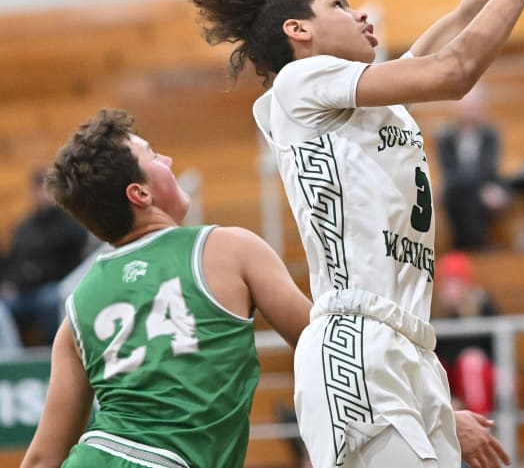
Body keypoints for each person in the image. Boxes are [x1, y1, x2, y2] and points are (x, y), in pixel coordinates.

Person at [190, 0, 524, 468]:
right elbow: (455, 71)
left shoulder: (374, 101)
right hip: (355, 340)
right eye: (339, 4)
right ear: (301, 32)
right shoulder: (301, 86)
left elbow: (465, 13)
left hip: (411, 348)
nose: (363, 13)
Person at [19, 107, 312, 468]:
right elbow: (320, 342)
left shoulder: (78, 306)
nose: (169, 159)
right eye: (154, 155)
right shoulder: (229, 248)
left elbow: (41, 459)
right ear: (140, 194)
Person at [0, 166, 90, 346]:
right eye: (38, 188)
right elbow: (13, 261)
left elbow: (73, 263)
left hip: (54, 287)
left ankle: (52, 352)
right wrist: (9, 284)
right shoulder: (24, 227)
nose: (42, 194)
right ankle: (11, 358)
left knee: (49, 301)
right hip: (23, 290)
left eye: (47, 188)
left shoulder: (71, 223)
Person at [435, 85, 509, 250]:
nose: (469, 111)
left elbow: (489, 168)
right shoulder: (445, 136)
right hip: (460, 189)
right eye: (466, 106)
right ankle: (478, 246)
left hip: (482, 186)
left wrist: (478, 186)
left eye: (473, 105)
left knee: (488, 195)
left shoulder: (490, 134)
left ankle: (464, 247)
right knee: (459, 193)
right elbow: (448, 169)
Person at [432, 252, 498, 419]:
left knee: (471, 362)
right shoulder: (436, 316)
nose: (451, 290)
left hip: (480, 379)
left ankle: (481, 423)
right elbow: (439, 358)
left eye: (456, 283)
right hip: (454, 381)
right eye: (447, 284)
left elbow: (496, 353)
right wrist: (453, 397)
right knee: (434, 367)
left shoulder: (484, 309)